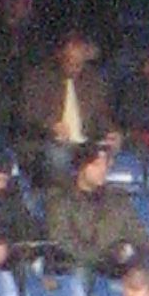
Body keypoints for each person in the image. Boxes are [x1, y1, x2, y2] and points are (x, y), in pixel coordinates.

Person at [18, 28, 114, 185]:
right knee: (58, 156)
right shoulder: (39, 78)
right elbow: (27, 114)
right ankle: (60, 198)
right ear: (60, 56)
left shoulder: (93, 81)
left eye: (80, 63)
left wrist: (110, 133)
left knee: (105, 156)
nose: (76, 68)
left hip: (85, 143)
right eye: (71, 62)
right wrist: (50, 125)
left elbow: (101, 116)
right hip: (47, 142)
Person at [45, 144, 149, 281]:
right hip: (81, 263)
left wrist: (128, 251)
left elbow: (138, 235)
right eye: (97, 165)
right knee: (80, 272)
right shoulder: (60, 199)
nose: (103, 170)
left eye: (106, 166)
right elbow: (63, 241)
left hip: (117, 264)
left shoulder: (118, 198)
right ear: (82, 167)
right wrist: (102, 257)